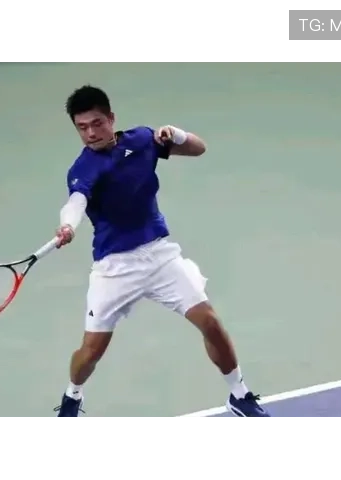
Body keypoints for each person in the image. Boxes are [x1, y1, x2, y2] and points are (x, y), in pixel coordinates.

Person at [53, 85, 271, 420]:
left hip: (159, 256)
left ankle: (239, 394)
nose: (91, 133)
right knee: (91, 351)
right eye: (82, 128)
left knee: (210, 322)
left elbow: (198, 148)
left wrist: (177, 134)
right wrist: (68, 225)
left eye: (97, 123)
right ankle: (72, 395)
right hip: (114, 267)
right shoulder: (82, 169)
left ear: (111, 119)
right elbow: (76, 202)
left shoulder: (142, 140)